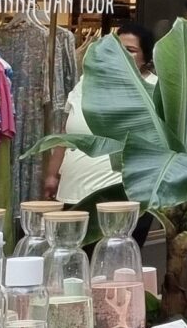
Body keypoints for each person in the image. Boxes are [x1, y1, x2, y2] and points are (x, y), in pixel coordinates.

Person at [50, 24, 154, 205]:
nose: (121, 54)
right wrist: (51, 174)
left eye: (130, 50)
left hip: (122, 197)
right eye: (117, 48)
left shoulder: (155, 90)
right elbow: (65, 135)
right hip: (72, 191)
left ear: (146, 58)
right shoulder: (86, 82)